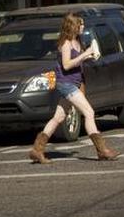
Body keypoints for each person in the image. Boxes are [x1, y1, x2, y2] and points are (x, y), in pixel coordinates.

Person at [28, 13, 119, 163]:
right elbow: (67, 64)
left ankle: (37, 150)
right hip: (66, 84)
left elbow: (77, 62)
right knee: (89, 112)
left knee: (58, 117)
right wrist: (85, 54)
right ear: (72, 26)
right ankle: (102, 151)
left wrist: (89, 56)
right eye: (80, 24)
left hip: (73, 83)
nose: (82, 27)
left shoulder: (77, 42)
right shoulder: (66, 43)